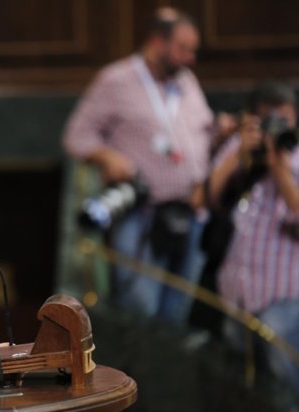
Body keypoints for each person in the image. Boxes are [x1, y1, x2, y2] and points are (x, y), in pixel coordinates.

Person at [62, 7, 220, 324]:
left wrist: (221, 131)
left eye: (193, 50)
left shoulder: (186, 81)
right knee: (140, 312)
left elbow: (201, 133)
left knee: (176, 316)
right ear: (157, 42)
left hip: (191, 212)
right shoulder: (115, 80)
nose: (190, 58)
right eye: (183, 48)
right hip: (143, 216)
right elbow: (76, 136)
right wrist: (107, 156)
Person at [207, 79, 299, 391]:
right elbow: (205, 199)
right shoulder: (242, 149)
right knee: (240, 382)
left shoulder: (295, 158)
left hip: (283, 296)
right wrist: (238, 152)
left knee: (281, 373)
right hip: (236, 295)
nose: (275, 127)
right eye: (267, 119)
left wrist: (280, 169)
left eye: (283, 119)